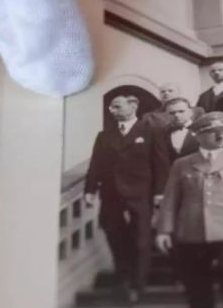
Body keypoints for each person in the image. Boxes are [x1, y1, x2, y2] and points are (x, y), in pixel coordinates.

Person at [156, 112, 223, 308]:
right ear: (198, 136)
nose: (220, 136)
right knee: (196, 285)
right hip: (192, 229)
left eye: (222, 131)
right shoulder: (182, 164)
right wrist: (164, 230)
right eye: (213, 132)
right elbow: (171, 198)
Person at [83, 95, 170, 303]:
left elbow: (161, 163)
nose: (113, 110)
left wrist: (160, 192)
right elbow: (96, 165)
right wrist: (90, 189)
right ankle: (123, 277)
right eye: (111, 108)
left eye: (117, 106)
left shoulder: (150, 131)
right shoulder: (104, 136)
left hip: (141, 193)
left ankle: (137, 285)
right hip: (111, 194)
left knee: (141, 240)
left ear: (133, 106)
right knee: (113, 232)